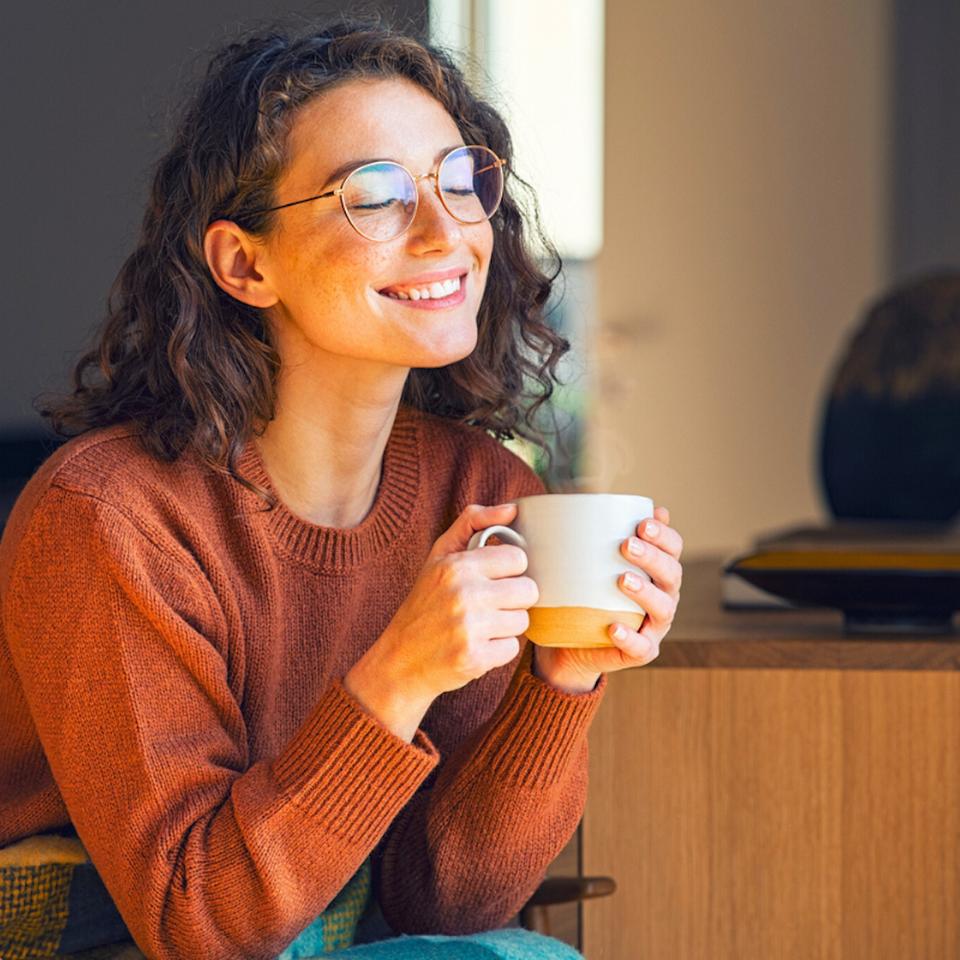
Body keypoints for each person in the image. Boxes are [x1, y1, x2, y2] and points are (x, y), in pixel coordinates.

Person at [0, 17, 683, 960]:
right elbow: (193, 924)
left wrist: (560, 682)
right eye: (377, 196)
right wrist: (396, 675)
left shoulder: (482, 491)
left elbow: (445, 906)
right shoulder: (112, 518)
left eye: (460, 180)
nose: (448, 231)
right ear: (247, 263)